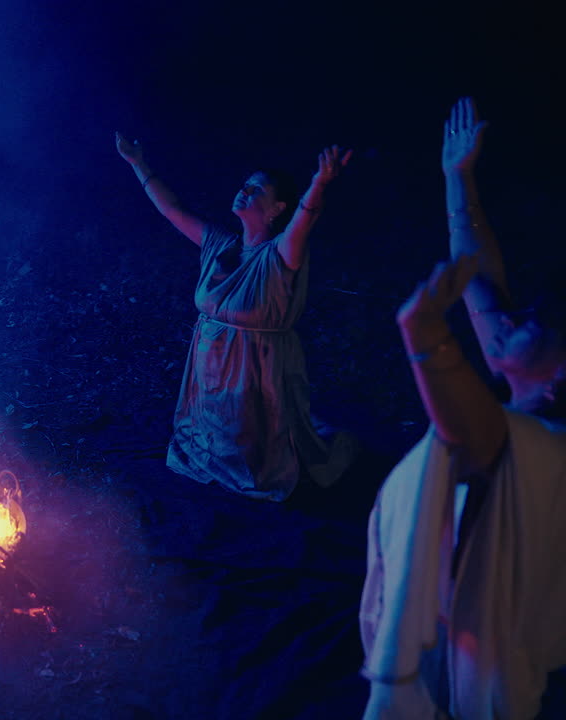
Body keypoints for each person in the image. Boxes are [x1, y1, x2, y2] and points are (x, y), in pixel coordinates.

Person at [360, 98, 566, 719]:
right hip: (460, 602)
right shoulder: (522, 400)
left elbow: (471, 433)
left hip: (489, 628)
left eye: (533, 322)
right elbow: (483, 278)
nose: (510, 319)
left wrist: (424, 336)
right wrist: (458, 178)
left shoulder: (535, 444)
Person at [114, 130, 356, 500]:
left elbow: (304, 222)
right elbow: (171, 209)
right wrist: (138, 163)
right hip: (208, 366)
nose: (244, 190)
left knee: (253, 460)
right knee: (210, 443)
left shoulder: (279, 256)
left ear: (276, 210)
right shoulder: (220, 245)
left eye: (256, 190)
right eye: (245, 185)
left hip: (254, 369)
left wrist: (319, 183)